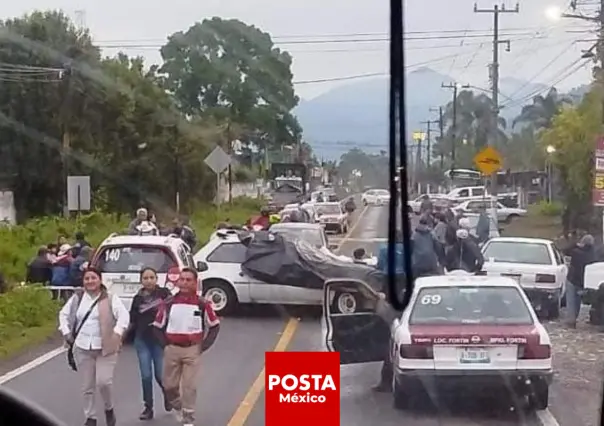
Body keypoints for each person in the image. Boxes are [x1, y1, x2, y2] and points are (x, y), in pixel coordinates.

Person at [58, 267, 130, 426]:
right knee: (87, 386)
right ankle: (90, 416)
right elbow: (63, 314)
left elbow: (124, 317)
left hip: (106, 348)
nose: (90, 281)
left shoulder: (110, 298)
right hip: (84, 347)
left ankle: (109, 408)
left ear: (100, 280)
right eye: (87, 279)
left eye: (93, 278)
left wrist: (116, 334)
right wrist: (66, 332)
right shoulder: (77, 298)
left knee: (104, 382)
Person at [152, 268, 220, 426]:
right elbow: (157, 326)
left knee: (190, 386)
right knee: (169, 386)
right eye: (182, 279)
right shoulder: (169, 303)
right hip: (172, 349)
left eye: (188, 280)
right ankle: (178, 406)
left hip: (192, 350)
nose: (184, 283)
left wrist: (203, 346)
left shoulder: (202, 304)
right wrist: (166, 345)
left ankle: (188, 418)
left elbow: (214, 325)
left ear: (195, 283)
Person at [129, 268, 172, 420]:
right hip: (142, 340)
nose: (149, 280)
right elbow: (132, 320)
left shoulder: (164, 294)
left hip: (158, 341)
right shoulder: (137, 299)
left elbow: (173, 312)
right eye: (145, 278)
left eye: (151, 277)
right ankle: (148, 407)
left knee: (160, 375)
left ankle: (168, 395)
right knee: (146, 376)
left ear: (156, 279)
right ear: (141, 280)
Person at [564, 233, 596, 328]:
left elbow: (566, 251)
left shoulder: (576, 252)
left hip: (573, 279)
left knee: (571, 301)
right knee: (579, 301)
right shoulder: (593, 254)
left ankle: (571, 320)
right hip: (586, 281)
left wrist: (575, 244)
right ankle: (577, 317)